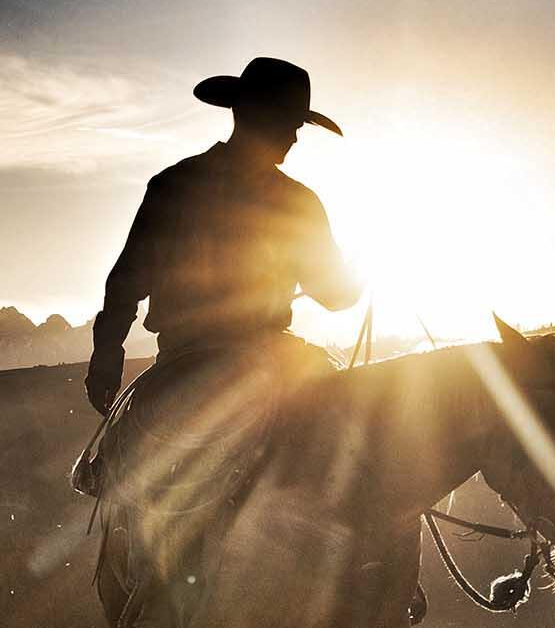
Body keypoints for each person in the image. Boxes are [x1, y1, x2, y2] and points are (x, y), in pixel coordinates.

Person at [84, 57, 362, 417]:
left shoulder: (172, 185)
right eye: (289, 125)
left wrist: (106, 359)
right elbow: (335, 295)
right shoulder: (298, 203)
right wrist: (357, 281)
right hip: (272, 367)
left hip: (179, 371)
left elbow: (126, 284)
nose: (294, 138)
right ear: (261, 118)